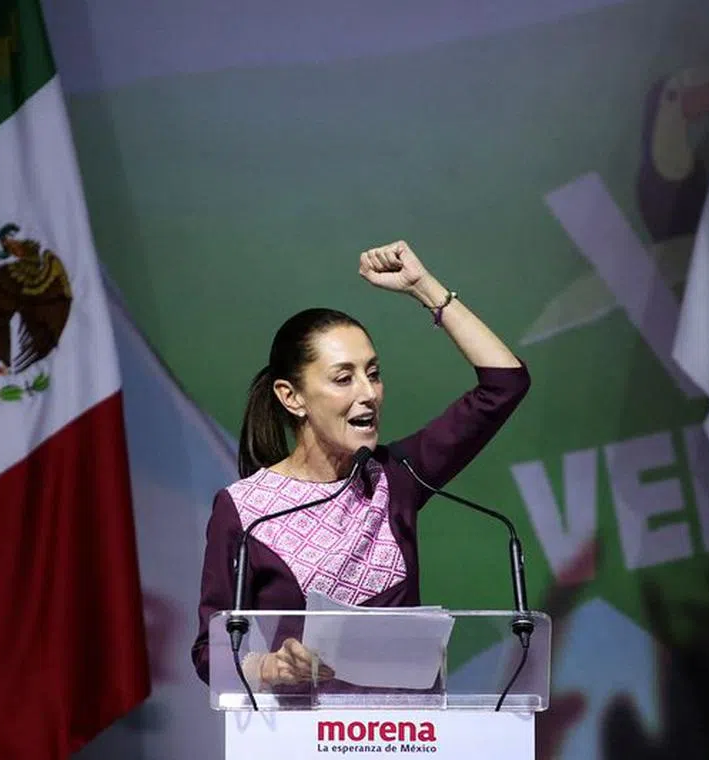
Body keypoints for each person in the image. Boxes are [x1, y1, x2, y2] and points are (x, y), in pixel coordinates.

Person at [191, 240, 531, 689]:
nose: (368, 393)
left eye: (373, 373)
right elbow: (210, 653)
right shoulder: (246, 510)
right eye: (344, 378)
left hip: (407, 727)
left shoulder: (396, 476)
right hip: (303, 729)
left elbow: (505, 384)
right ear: (291, 397)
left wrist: (424, 288)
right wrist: (272, 667)